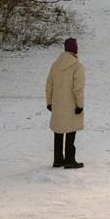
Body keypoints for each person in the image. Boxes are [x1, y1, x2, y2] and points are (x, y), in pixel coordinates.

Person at [46, 37, 86, 169]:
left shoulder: (55, 65)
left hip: (57, 104)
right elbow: (78, 88)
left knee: (58, 131)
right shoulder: (77, 66)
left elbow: (49, 85)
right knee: (71, 130)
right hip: (71, 105)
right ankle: (70, 160)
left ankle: (58, 159)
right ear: (75, 48)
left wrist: (49, 102)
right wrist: (80, 105)